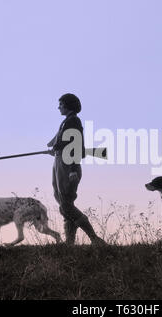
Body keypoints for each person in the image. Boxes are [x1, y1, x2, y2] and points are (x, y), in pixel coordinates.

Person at [47, 93, 106, 245]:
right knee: (64, 204)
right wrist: (55, 148)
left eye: (60, 104)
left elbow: (76, 145)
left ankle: (94, 238)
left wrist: (73, 168)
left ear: (67, 105)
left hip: (68, 164)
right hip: (60, 161)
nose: (58, 107)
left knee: (66, 205)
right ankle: (70, 243)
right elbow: (59, 142)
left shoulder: (73, 120)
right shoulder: (67, 121)